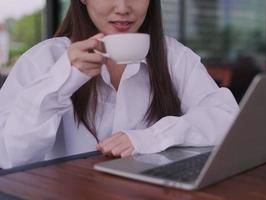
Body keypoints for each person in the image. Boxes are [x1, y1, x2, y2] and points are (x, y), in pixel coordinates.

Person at [0, 0, 238, 169]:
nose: (123, 8)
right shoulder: (43, 59)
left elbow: (227, 117)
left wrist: (151, 137)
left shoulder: (173, 56)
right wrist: (62, 79)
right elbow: (11, 156)